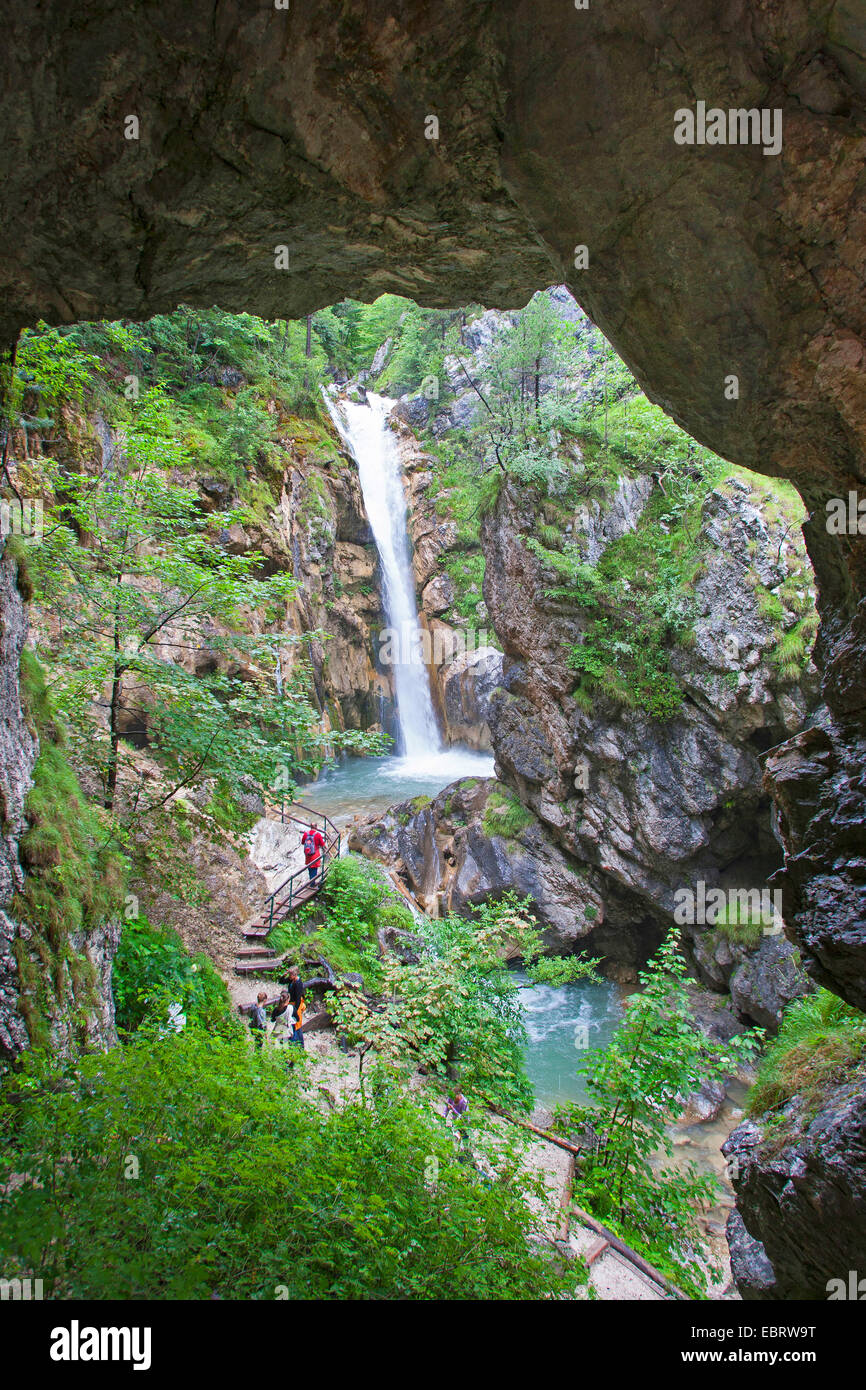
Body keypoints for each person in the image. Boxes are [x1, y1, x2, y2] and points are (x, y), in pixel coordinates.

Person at [287, 966, 306, 1047]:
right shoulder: (292, 981)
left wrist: (295, 1011)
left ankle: (298, 1045)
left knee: (296, 1024)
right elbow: (281, 981)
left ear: (294, 975)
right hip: (292, 1004)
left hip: (296, 1005)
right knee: (293, 1024)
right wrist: (285, 974)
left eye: (290, 975)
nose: (289, 976)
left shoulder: (298, 983)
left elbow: (298, 999)